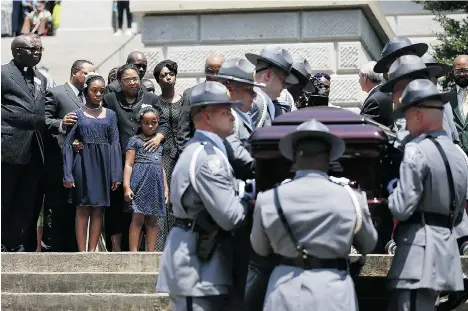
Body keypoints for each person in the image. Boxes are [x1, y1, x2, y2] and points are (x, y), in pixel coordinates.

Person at [250, 119, 378, 311]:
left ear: (295, 157)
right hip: (333, 289)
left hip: (285, 287)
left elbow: (260, 249)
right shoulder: (352, 198)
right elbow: (368, 244)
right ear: (329, 158)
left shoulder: (268, 199)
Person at [156, 81, 249, 310]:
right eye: (225, 111)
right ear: (207, 117)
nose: (232, 117)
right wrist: (252, 201)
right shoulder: (209, 158)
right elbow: (231, 217)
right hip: (196, 265)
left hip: (203, 260)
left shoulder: (209, 150)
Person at [386, 79, 467, 311]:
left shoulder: (416, 150)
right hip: (446, 247)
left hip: (418, 253)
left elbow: (401, 208)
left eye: (406, 115)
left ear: (418, 115)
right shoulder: (459, 155)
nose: (405, 122)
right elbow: (459, 210)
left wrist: (392, 190)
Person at [102, 64, 168, 251]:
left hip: (147, 160)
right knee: (116, 206)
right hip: (118, 158)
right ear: (120, 82)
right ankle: (116, 249)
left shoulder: (151, 98)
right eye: (128, 79)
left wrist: (158, 137)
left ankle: (144, 251)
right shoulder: (110, 99)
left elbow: (162, 123)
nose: (133, 82)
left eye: (136, 78)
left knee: (145, 212)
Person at [62, 73, 122, 252]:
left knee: (98, 209)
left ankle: (92, 251)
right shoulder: (77, 114)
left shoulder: (110, 115)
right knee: (82, 208)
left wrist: (116, 173)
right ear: (86, 91)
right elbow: (67, 144)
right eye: (94, 90)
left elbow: (115, 143)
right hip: (83, 163)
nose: (98, 94)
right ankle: (82, 253)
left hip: (104, 165)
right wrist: (67, 173)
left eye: (101, 91)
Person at [1, 34, 48, 252]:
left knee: (26, 200)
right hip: (8, 146)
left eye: (40, 49)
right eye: (32, 49)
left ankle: (16, 243)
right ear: (17, 51)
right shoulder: (3, 73)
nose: (37, 52)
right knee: (5, 198)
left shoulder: (42, 77)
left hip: (34, 148)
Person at [44, 59, 95, 252]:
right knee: (58, 205)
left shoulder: (91, 96)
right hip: (61, 160)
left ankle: (76, 247)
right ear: (75, 72)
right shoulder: (57, 93)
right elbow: (45, 120)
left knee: (79, 206)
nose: (91, 78)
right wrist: (62, 123)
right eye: (87, 74)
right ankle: (54, 247)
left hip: (84, 161)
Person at [123, 106, 168, 252]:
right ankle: (134, 253)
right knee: (137, 218)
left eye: (153, 122)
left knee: (153, 220)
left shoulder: (159, 143)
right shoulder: (134, 141)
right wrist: (126, 186)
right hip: (139, 182)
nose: (150, 126)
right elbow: (129, 164)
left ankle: (150, 254)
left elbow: (161, 167)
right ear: (140, 124)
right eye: (146, 123)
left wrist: (166, 188)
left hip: (156, 185)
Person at [153, 59, 183, 251]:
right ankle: (160, 246)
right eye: (162, 75)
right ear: (158, 80)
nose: (167, 78)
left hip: (182, 152)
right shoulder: (154, 102)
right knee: (164, 197)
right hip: (162, 153)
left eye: (169, 74)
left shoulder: (184, 100)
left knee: (179, 196)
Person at [176, 54, 225, 153]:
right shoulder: (189, 95)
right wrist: (190, 157)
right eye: (210, 71)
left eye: (218, 72)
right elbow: (183, 132)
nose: (214, 76)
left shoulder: (232, 94)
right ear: (205, 71)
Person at [245, 46, 298, 128]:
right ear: (268, 76)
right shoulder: (254, 102)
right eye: (283, 81)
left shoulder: (267, 102)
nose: (284, 87)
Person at [359, 61, 393, 127]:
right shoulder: (382, 93)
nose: (359, 80)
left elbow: (363, 127)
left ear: (365, 77)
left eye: (360, 76)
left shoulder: (374, 100)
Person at [449, 55, 468, 153]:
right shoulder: (446, 98)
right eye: (458, 71)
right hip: (457, 155)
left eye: (465, 70)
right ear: (453, 72)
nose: (462, 74)